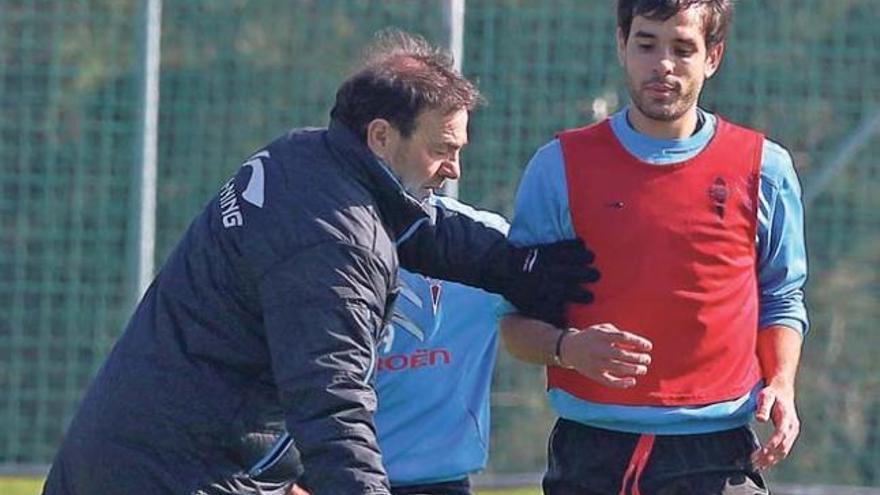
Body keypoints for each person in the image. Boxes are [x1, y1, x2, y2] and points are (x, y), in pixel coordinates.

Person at [42, 30, 597, 495]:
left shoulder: (310, 158)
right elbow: (333, 405)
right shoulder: (334, 246)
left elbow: (420, 228)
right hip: (178, 475)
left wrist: (518, 268)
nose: (452, 169)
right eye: (442, 149)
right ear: (381, 137)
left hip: (130, 455)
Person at [499, 1, 808, 494]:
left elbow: (782, 299)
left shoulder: (763, 168)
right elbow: (513, 324)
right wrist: (568, 348)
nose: (663, 63)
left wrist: (783, 386)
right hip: (591, 451)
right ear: (622, 45)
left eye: (683, 48)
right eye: (646, 44)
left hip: (719, 451)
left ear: (713, 57)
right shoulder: (558, 167)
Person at [291, 195, 510, 495]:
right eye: (440, 149)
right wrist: (281, 477)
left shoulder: (492, 242)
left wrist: (565, 345)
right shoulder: (315, 239)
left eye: (453, 150)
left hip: (439, 482)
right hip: (326, 477)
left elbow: (546, 312)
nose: (452, 167)